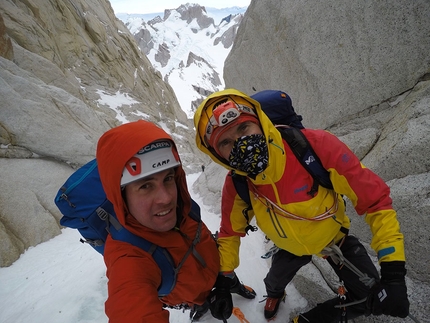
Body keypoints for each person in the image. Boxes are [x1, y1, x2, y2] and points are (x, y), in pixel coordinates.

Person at [193, 89, 410, 323]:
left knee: (369, 297)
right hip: (290, 246)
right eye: (225, 142)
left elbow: (375, 200)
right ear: (217, 154)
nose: (241, 144)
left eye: (243, 128)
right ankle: (275, 294)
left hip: (333, 240)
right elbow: (229, 233)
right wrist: (224, 280)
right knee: (273, 281)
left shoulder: (315, 146)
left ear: (260, 121)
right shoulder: (237, 183)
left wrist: (393, 270)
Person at [96, 120, 255, 322]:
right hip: (193, 294)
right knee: (202, 302)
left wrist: (224, 280)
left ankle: (234, 286)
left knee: (229, 282)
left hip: (216, 269)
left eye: (168, 179)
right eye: (145, 186)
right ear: (121, 195)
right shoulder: (129, 256)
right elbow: (131, 305)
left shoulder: (183, 206)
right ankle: (202, 305)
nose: (167, 198)